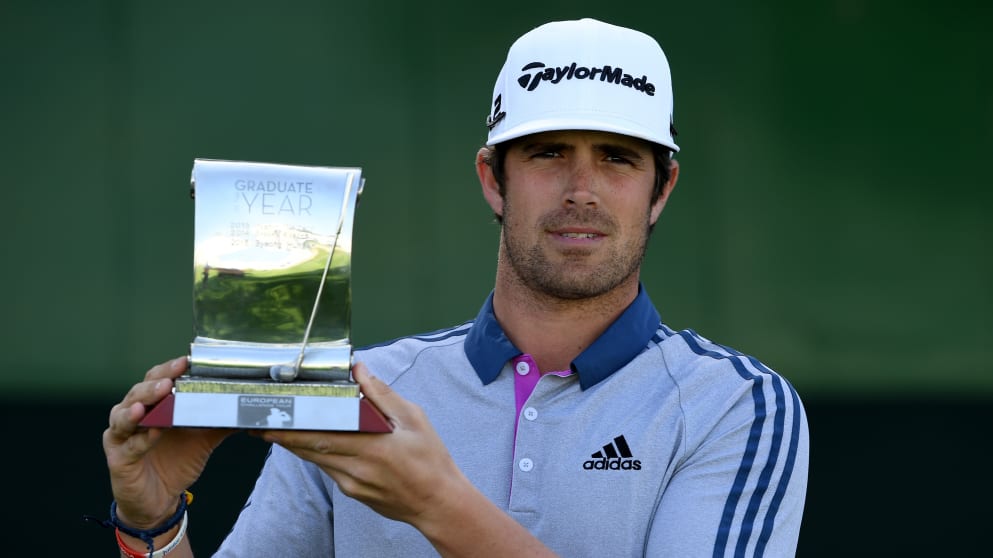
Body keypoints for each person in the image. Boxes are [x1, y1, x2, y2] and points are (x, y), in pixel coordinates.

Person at [103, 18, 808, 557]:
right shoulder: (366, 389)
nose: (581, 190)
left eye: (618, 158)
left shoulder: (736, 405)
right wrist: (152, 522)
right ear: (490, 178)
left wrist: (435, 502)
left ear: (662, 189)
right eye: (547, 153)